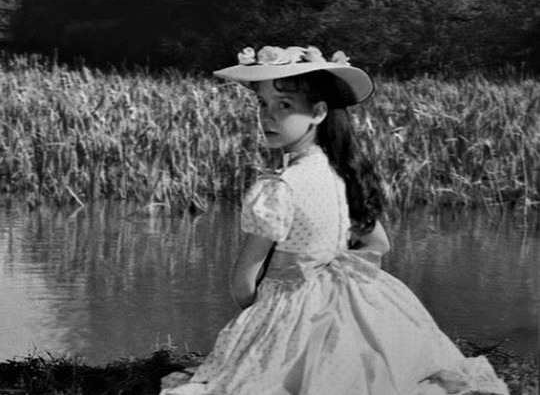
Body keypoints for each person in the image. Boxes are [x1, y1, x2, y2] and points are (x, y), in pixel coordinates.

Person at [159, 46, 508, 395]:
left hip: (289, 306)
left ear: (318, 112)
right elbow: (378, 244)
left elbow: (243, 279)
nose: (267, 117)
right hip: (343, 299)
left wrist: (261, 323)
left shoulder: (280, 188)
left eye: (284, 105)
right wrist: (336, 273)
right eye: (262, 104)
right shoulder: (341, 174)